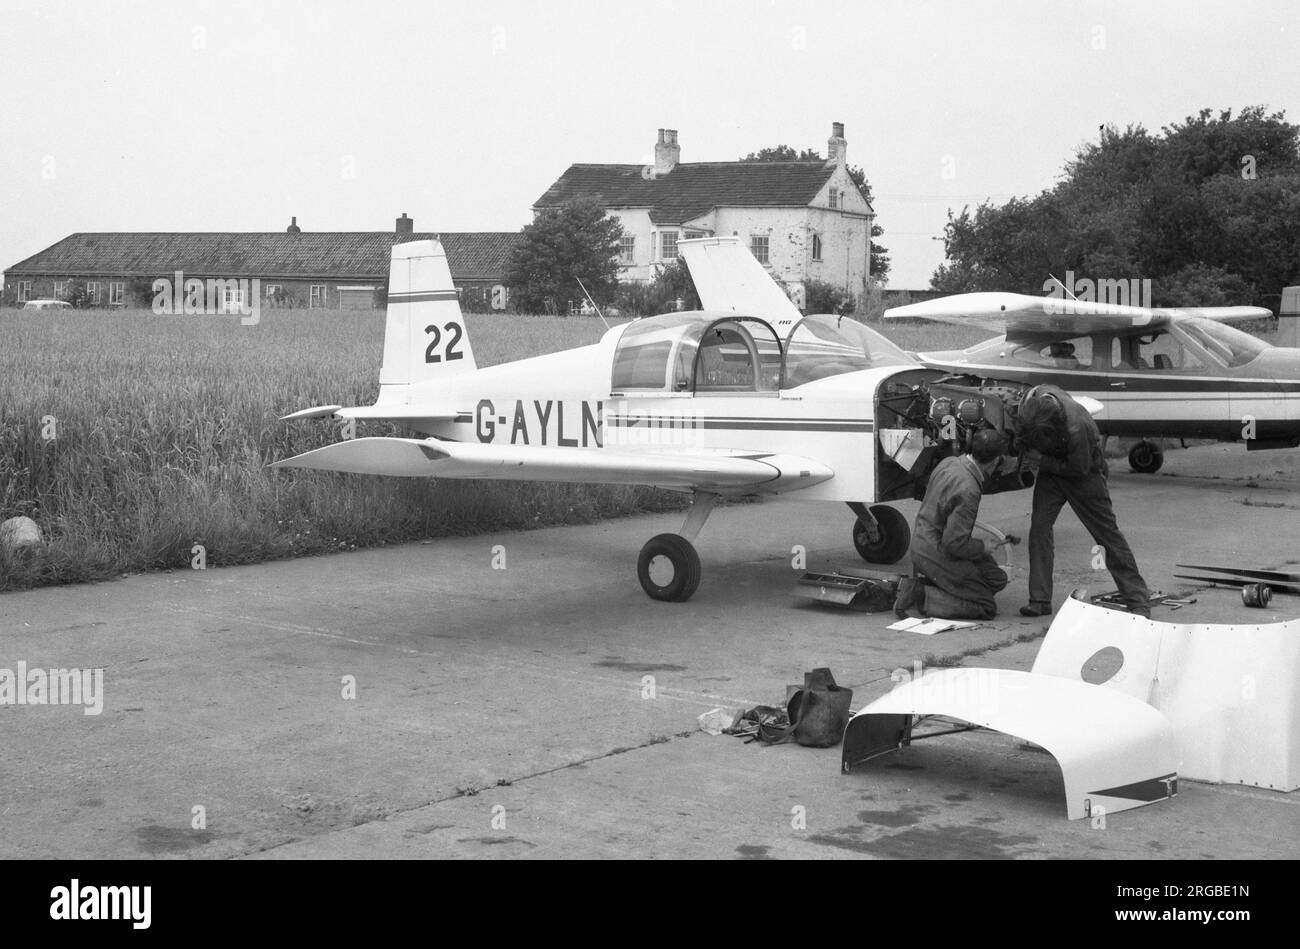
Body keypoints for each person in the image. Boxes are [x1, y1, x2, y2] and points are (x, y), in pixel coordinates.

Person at [1016, 384, 1151, 618]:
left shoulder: (1078, 426)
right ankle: (1039, 600)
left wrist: (1041, 460)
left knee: (1106, 535)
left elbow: (1078, 468)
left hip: (1083, 473)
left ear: (1054, 429)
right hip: (1052, 472)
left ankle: (1138, 600)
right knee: (1039, 528)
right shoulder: (1032, 405)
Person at [894, 429, 1009, 621]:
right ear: (996, 460)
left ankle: (942, 587)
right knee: (986, 606)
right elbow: (954, 544)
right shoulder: (969, 489)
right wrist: (983, 546)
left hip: (925, 541)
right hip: (935, 551)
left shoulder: (949, 463)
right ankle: (921, 594)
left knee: (997, 579)